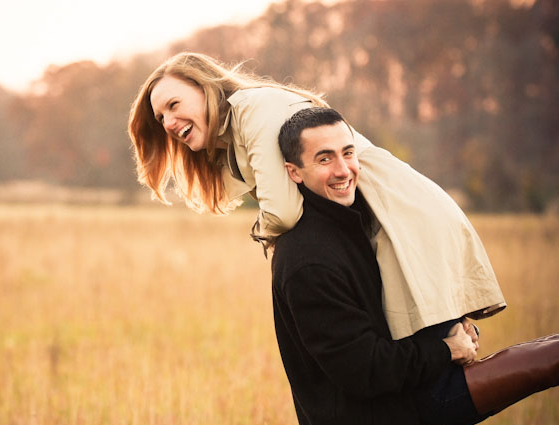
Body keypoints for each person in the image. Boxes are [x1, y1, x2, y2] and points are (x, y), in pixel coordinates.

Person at [127, 52, 505, 345]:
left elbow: (283, 211)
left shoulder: (253, 110)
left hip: (396, 214)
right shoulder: (231, 137)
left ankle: (541, 361)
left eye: (174, 105)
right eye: (160, 118)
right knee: (425, 367)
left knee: (442, 381)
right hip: (371, 222)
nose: (169, 123)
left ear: (204, 86)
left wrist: (263, 233)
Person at [272, 106, 559, 425]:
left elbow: (396, 308)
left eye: (348, 152)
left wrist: (453, 324)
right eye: (324, 159)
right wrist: (445, 350)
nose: (343, 170)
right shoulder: (308, 261)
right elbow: (364, 369)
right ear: (294, 172)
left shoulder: (361, 225)